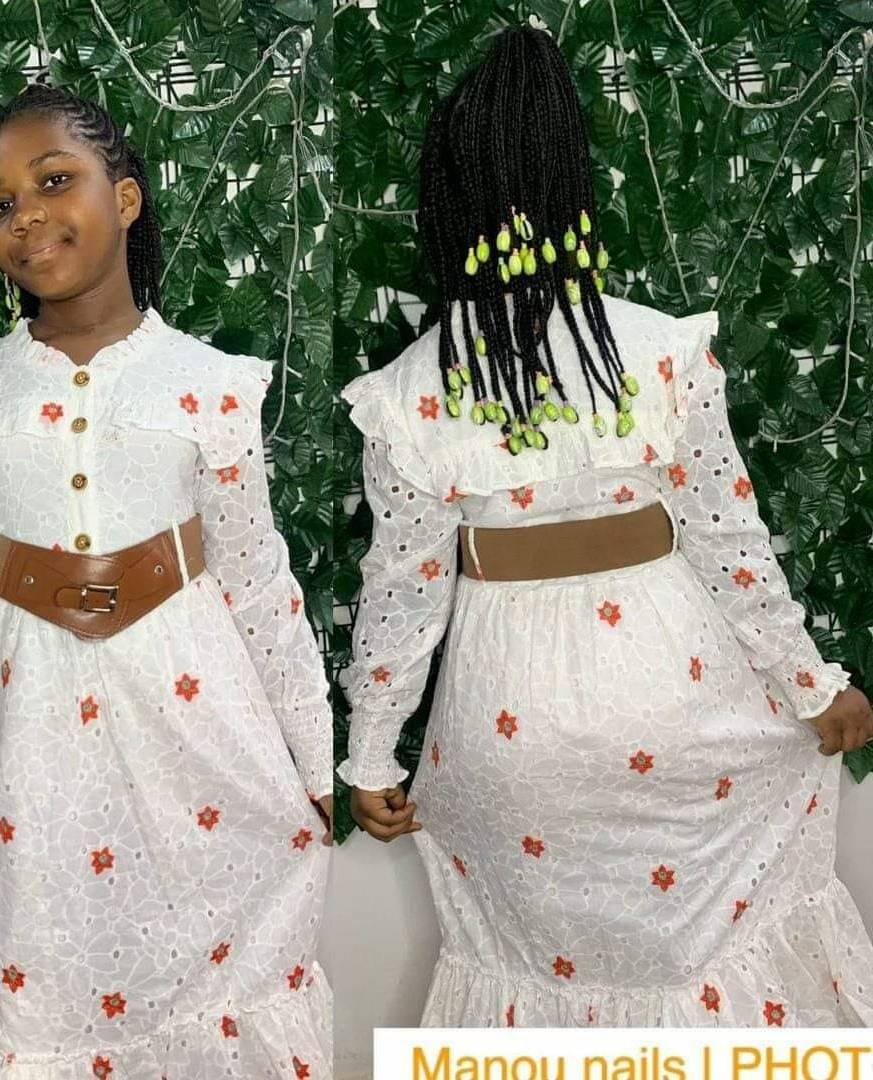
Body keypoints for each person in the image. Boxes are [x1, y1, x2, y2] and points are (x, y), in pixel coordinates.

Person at [338, 25, 873, 1027]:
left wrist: (372, 757)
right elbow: (729, 539)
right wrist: (811, 686)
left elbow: (402, 596)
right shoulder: (659, 352)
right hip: (674, 701)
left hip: (512, 735)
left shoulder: (410, 393)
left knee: (539, 980)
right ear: (574, 186)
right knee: (707, 964)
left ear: (448, 201)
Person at [0, 82, 332, 1077]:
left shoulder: (209, 385)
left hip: (189, 733)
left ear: (128, 198)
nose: (25, 215)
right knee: (38, 980)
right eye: (1, 203)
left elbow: (258, 581)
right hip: (19, 741)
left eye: (54, 181)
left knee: (199, 963)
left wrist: (318, 760)